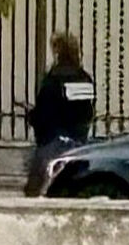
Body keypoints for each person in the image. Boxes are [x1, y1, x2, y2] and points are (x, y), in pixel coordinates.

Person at [27, 36, 100, 195]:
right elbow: (87, 111)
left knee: (38, 188)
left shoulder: (53, 79)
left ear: (59, 52)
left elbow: (45, 112)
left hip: (53, 140)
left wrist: (32, 117)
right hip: (79, 141)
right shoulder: (84, 79)